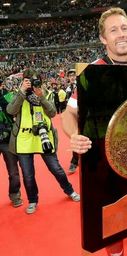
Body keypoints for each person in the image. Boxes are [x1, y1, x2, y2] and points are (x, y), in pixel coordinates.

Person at [61, 7, 127, 256]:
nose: (121, 34)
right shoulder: (92, 72)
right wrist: (74, 136)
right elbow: (67, 115)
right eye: (113, 30)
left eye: (125, 28)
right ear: (103, 38)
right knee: (114, 224)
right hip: (105, 165)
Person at [6, 70, 80, 214]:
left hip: (44, 135)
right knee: (28, 175)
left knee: (56, 169)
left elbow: (52, 113)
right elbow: (10, 110)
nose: (33, 84)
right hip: (24, 138)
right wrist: (21, 92)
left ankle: (70, 190)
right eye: (29, 81)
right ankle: (32, 200)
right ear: (24, 81)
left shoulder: (46, 92)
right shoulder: (18, 93)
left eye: (35, 80)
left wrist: (41, 97)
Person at [0, 79, 22, 207]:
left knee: (13, 171)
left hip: (7, 140)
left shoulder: (8, 96)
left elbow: (11, 111)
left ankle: (14, 194)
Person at [66, 69, 79, 173]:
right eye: (70, 75)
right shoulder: (68, 89)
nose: (72, 77)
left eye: (74, 75)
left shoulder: (80, 85)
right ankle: (74, 162)